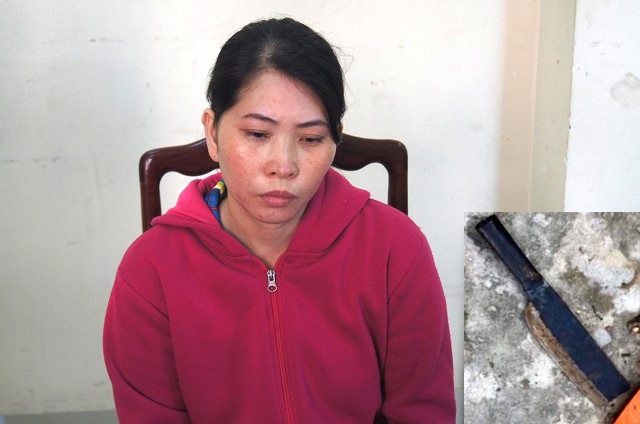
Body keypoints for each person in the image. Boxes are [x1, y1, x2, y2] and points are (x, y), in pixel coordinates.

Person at [103, 17, 455, 423]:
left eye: (311, 139)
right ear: (213, 134)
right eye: (257, 134)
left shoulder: (396, 249)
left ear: (335, 140)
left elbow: (422, 410)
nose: (284, 166)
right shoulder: (150, 271)